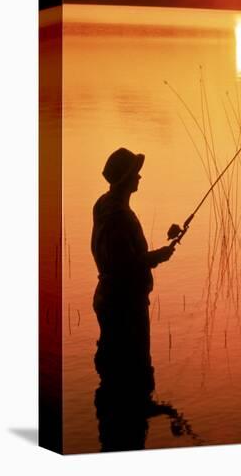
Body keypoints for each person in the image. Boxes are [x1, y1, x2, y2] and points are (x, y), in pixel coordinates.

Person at [91, 147, 175, 399]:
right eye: (135, 174)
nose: (139, 178)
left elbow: (122, 261)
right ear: (125, 179)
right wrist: (158, 256)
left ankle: (121, 418)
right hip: (124, 305)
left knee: (114, 365)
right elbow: (125, 266)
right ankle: (132, 418)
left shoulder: (103, 204)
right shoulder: (119, 217)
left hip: (108, 298)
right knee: (134, 371)